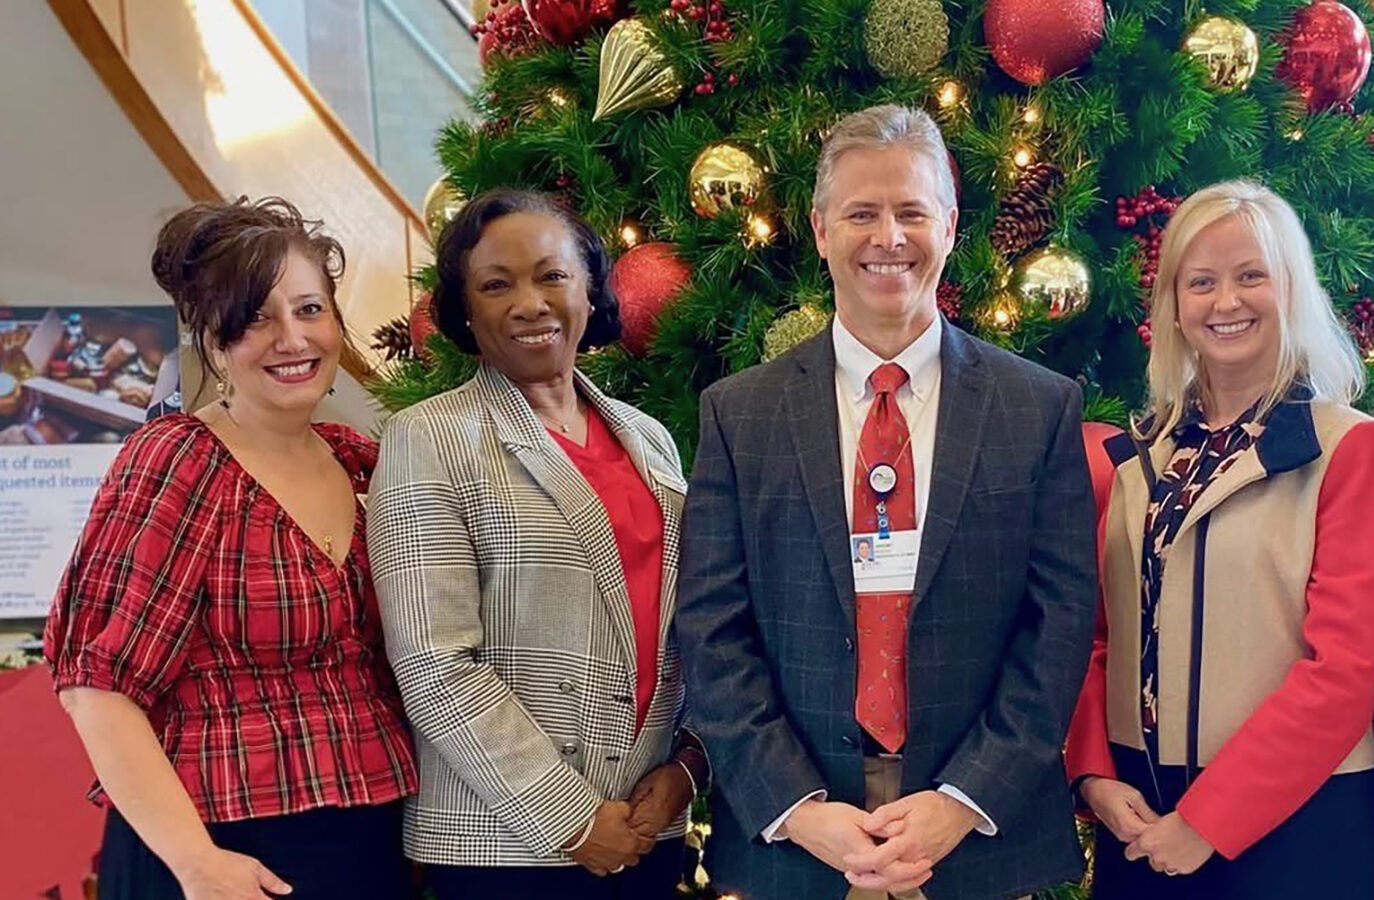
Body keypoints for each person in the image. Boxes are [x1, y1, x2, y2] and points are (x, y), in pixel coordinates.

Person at [675, 104, 1098, 900]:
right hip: (800, 843)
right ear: (821, 228)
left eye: (911, 212)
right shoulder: (742, 413)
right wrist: (798, 808)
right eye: (862, 213)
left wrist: (962, 801)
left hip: (975, 838)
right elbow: (710, 626)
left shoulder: (1037, 408)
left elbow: (1060, 623)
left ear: (950, 222)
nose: (888, 237)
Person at [44, 197, 417, 899]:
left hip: (363, 846)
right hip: (216, 855)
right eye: (254, 319)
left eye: (309, 310)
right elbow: (98, 689)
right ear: (213, 341)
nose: (291, 338)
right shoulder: (180, 461)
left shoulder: (364, 463)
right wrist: (197, 864)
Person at [1062, 180, 1374, 899]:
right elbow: (1096, 639)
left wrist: (1210, 821)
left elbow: (1345, 668)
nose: (1227, 302)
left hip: (1296, 830)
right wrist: (1094, 774)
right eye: (1202, 283)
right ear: (1175, 309)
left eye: (1252, 276)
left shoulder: (1352, 450)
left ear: (1293, 290)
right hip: (1141, 820)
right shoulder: (1139, 457)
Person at [368, 189, 707, 900]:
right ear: (464, 310)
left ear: (589, 287)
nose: (529, 303)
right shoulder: (427, 439)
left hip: (647, 829)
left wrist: (685, 773)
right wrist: (574, 819)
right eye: (497, 284)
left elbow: (693, 630)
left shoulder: (649, 438)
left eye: (551, 275)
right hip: (505, 845)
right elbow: (433, 663)